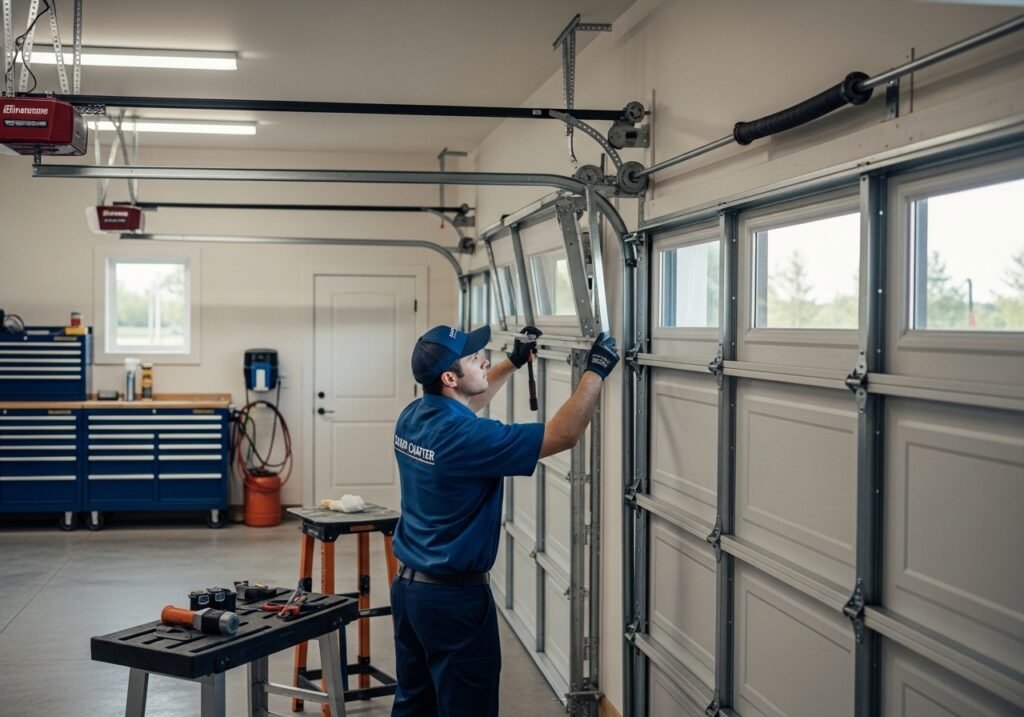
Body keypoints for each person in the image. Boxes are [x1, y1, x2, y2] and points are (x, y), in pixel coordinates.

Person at [390, 323, 619, 717]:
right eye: (473, 357)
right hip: (454, 602)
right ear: (450, 377)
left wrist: (512, 363)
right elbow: (563, 435)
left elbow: (465, 404)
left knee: (415, 705)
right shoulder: (466, 438)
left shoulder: (414, 415)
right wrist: (595, 371)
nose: (483, 359)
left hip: (410, 594)